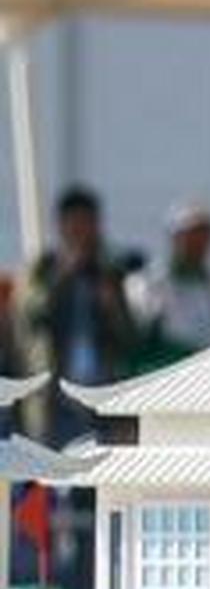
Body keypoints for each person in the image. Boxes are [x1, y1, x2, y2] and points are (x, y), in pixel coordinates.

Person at [8, 185, 137, 442]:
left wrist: (111, 301)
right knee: (53, 472)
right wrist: (64, 275)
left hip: (102, 391)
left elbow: (129, 337)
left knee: (101, 472)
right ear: (61, 225)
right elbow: (31, 317)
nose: (82, 230)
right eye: (75, 222)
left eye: (88, 222)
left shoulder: (109, 271)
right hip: (55, 397)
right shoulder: (43, 269)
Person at [126, 200, 210, 368]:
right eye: (192, 235)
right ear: (175, 238)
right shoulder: (146, 283)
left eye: (205, 235)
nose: (199, 243)